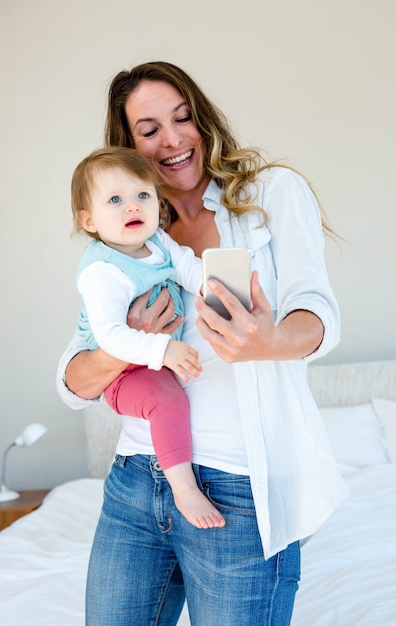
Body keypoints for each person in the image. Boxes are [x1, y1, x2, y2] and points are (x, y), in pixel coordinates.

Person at [57, 61, 348, 626]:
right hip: (136, 480)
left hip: (241, 489)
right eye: (149, 129)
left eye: (183, 117)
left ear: (203, 120)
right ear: (131, 146)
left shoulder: (272, 193)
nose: (172, 140)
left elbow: (320, 316)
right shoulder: (129, 233)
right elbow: (74, 380)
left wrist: (269, 340)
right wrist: (130, 346)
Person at [70, 145, 225, 529]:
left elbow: (187, 267)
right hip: (124, 374)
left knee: (174, 394)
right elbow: (109, 336)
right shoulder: (102, 271)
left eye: (143, 195)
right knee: (166, 401)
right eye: (116, 200)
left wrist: (210, 288)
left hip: (151, 359)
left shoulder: (158, 242)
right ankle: (183, 487)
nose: (133, 207)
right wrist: (163, 348)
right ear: (89, 219)